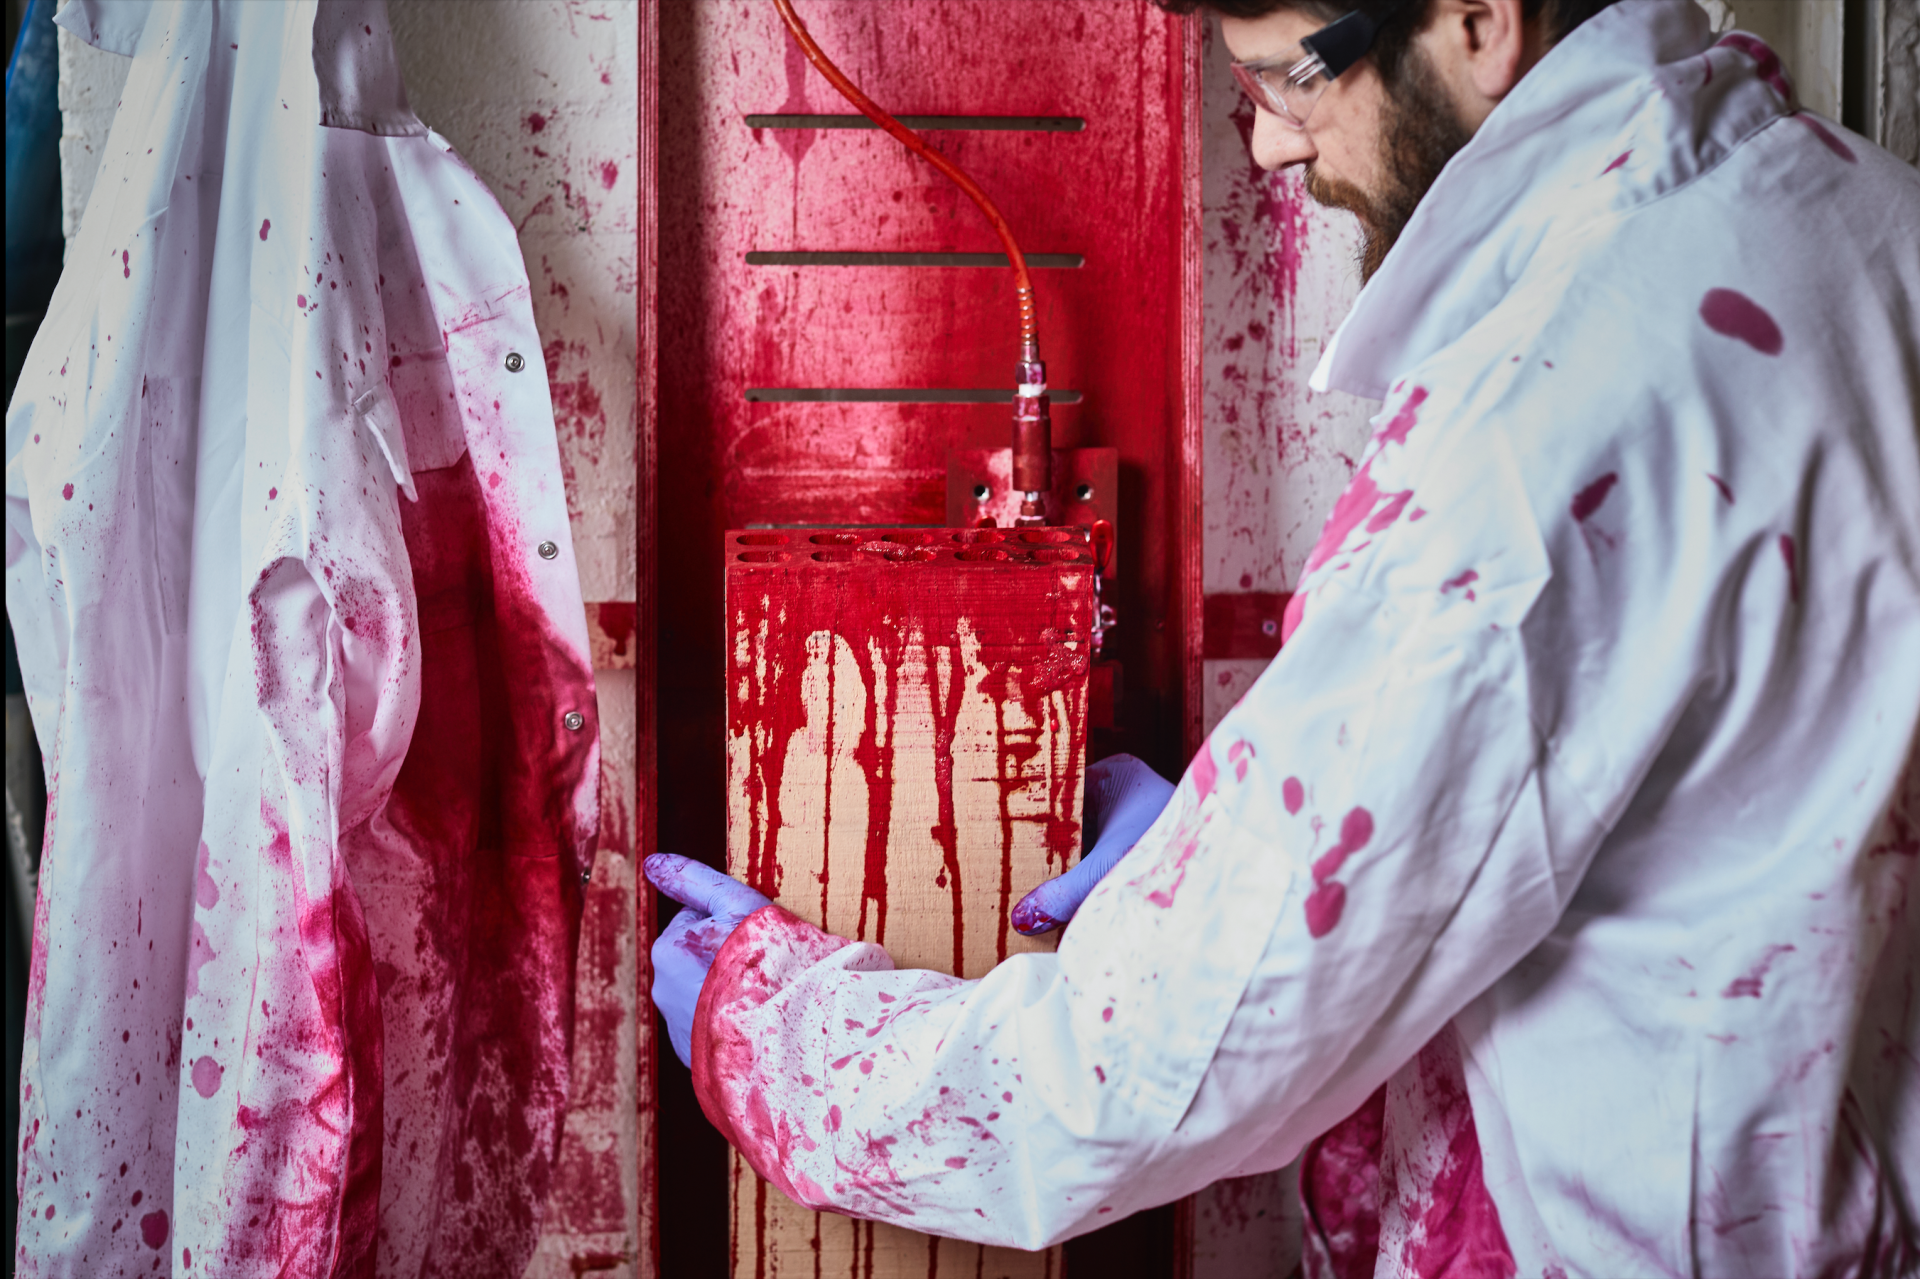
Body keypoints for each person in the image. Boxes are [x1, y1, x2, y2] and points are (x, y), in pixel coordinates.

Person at [647, 1, 1920, 1273]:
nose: (1268, 148)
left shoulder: (1525, 448)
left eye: (1287, 80)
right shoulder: (1877, 225)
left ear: (1479, 21)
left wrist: (783, 1038)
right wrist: (1227, 841)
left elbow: (1140, 1077)